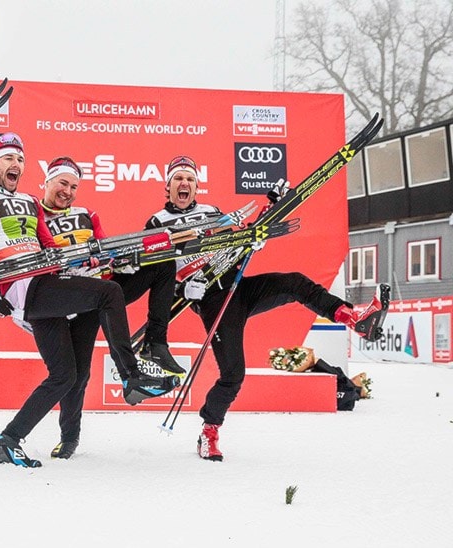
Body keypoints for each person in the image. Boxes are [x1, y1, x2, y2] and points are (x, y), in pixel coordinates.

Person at [0, 133, 179, 467]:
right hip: (25, 289)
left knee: (65, 376)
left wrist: (88, 260)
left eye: (20, 160)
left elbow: (50, 251)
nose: (16, 165)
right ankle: (131, 376)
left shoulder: (28, 202)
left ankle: (7, 441)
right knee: (110, 293)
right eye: (9, 159)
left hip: (48, 286)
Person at [146, 155, 389, 462]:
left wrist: (259, 226)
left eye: (190, 179)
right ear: (167, 186)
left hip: (238, 286)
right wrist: (183, 290)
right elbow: (154, 272)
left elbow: (235, 239)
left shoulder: (212, 213)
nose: (185, 184)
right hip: (213, 302)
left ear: (196, 186)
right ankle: (209, 431)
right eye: (178, 179)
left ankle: (354, 318)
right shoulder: (156, 223)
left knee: (295, 283)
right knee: (234, 374)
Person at [39, 155, 182, 459]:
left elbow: (103, 248)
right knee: (73, 375)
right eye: (63, 183)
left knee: (163, 262)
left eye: (74, 186)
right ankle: (70, 435)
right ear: (47, 182)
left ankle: (155, 343)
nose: (68, 191)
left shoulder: (87, 214)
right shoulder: (32, 213)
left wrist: (113, 262)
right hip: (59, 297)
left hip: (96, 292)